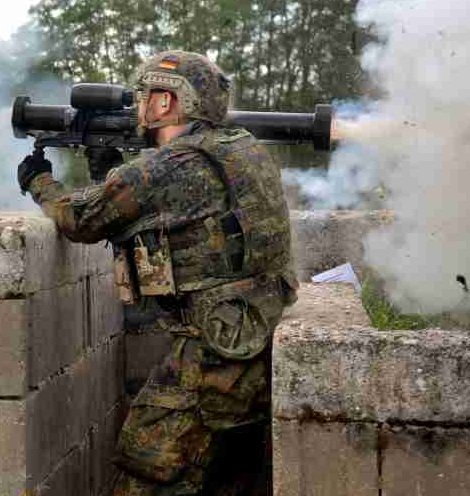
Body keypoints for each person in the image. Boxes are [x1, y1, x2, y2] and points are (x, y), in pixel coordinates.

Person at [17, 50, 297, 496]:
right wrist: (107, 166)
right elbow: (167, 209)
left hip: (209, 365)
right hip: (250, 344)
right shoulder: (240, 148)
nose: (138, 105)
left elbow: (82, 219)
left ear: (167, 103)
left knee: (141, 473)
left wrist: (39, 181)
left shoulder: (171, 165)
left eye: (145, 95)